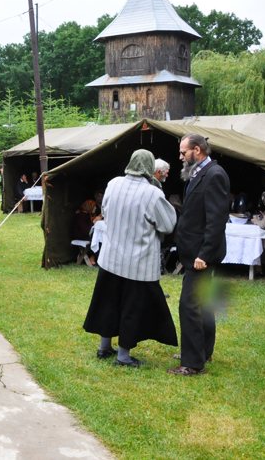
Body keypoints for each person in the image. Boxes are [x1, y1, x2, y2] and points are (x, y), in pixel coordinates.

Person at [83, 150, 178, 368]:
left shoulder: (113, 183)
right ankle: (123, 357)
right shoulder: (152, 194)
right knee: (131, 308)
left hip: (110, 257)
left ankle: (104, 347)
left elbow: (105, 210)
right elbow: (168, 224)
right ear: (149, 167)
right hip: (137, 263)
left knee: (108, 303)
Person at [169, 134, 229, 377]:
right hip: (194, 251)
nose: (181, 157)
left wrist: (204, 254)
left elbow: (216, 220)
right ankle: (202, 351)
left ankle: (192, 364)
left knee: (189, 305)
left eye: (184, 153)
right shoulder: (199, 172)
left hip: (201, 255)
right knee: (203, 303)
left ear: (197, 150)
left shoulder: (214, 174)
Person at [72, 200, 100, 266]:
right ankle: (92, 259)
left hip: (85, 234)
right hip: (80, 235)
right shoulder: (81, 216)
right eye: (94, 207)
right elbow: (86, 231)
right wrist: (94, 221)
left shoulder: (88, 215)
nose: (95, 208)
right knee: (98, 239)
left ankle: (95, 258)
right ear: (89, 207)